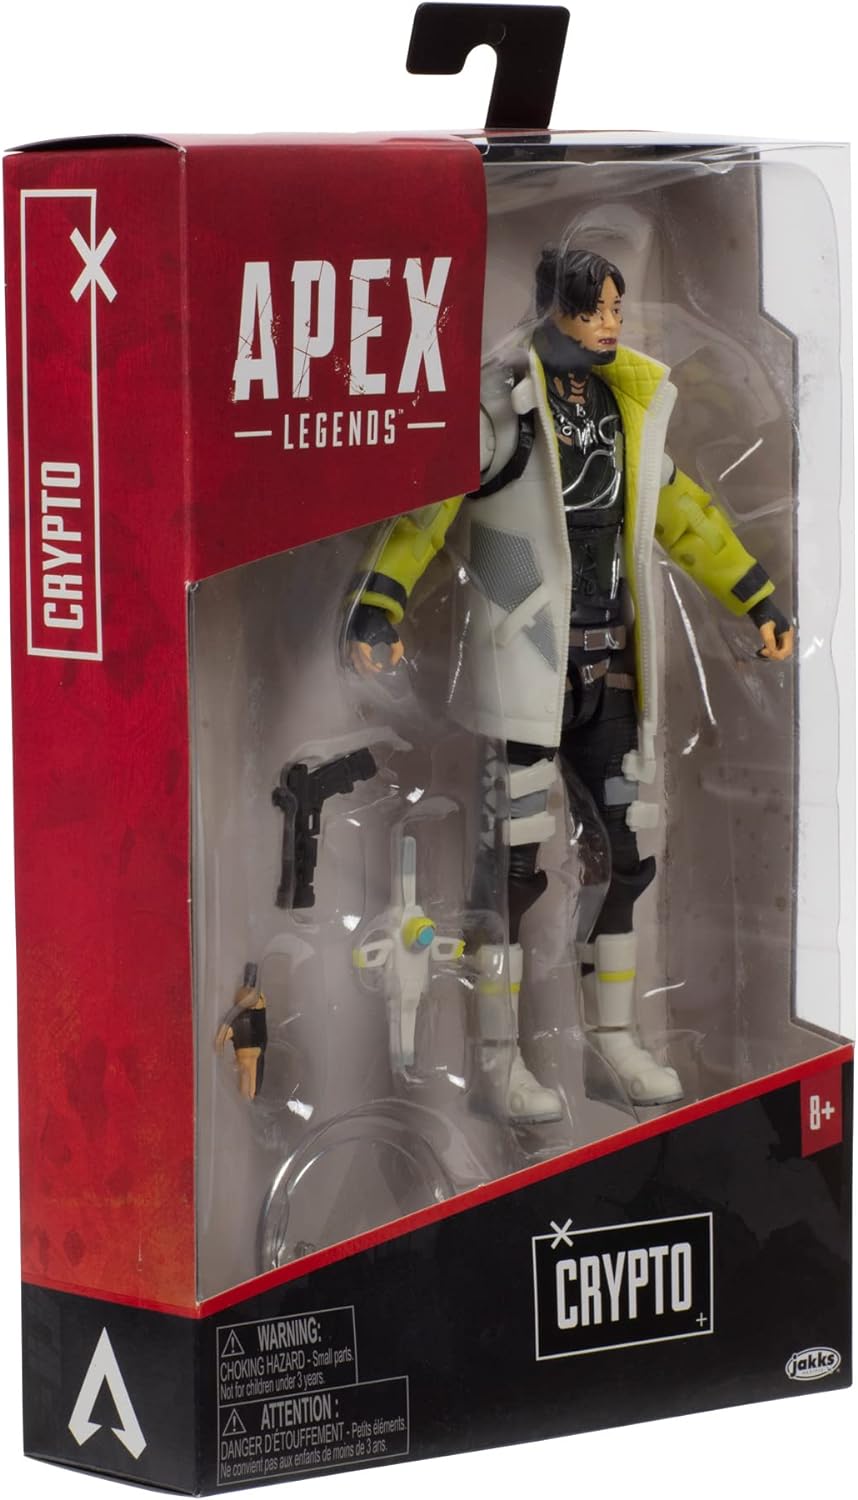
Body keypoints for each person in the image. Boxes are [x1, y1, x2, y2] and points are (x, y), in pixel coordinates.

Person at [348, 247, 794, 1123]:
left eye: (617, 311)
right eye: (595, 311)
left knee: (626, 855)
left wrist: (756, 596)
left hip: (610, 671)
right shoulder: (501, 411)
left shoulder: (629, 412)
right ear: (554, 308)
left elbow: (687, 515)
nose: (609, 326)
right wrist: (381, 601)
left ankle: (614, 1039)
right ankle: (498, 1059)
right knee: (510, 874)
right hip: (525, 673)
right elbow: (427, 509)